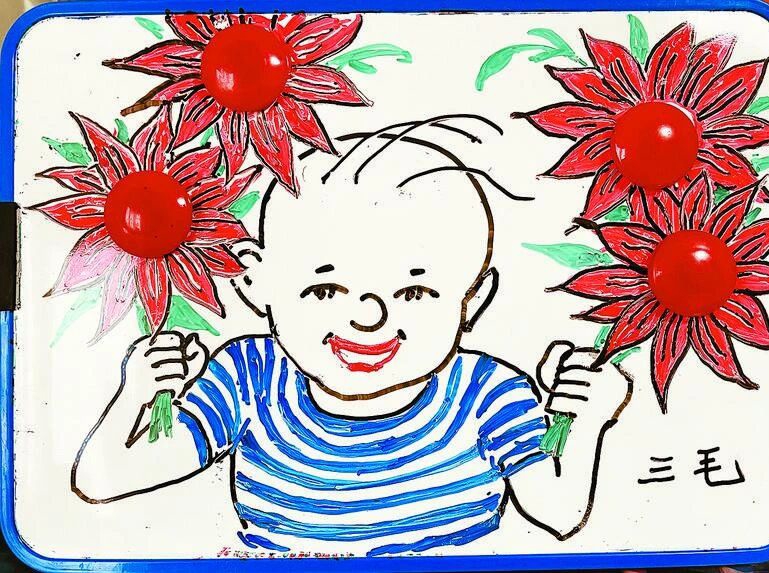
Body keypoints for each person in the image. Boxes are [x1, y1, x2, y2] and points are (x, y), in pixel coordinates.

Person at [72, 115, 631, 556]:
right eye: (324, 290)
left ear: (473, 299)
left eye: (415, 292)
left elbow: (558, 513)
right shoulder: (251, 377)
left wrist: (587, 418)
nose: (369, 317)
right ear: (255, 281)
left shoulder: (486, 393)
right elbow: (105, 482)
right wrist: (135, 393)